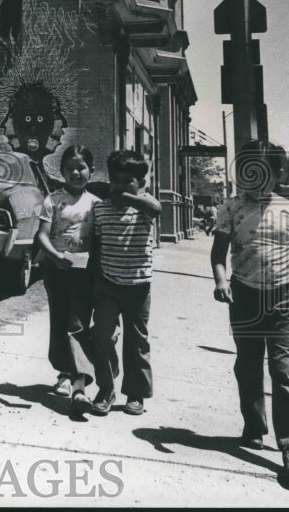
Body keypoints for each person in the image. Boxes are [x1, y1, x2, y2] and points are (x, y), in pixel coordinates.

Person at [210, 140, 289, 481]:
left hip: (284, 300)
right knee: (247, 365)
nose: (255, 179)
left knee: (284, 370)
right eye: (248, 172)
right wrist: (220, 281)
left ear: (277, 175)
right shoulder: (231, 208)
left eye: (264, 173)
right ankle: (254, 425)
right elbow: (218, 254)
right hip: (244, 296)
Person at [90, 149, 161, 417]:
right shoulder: (101, 208)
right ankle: (106, 388)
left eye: (127, 181)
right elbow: (97, 246)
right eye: (115, 180)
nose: (119, 186)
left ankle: (136, 393)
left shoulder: (143, 208)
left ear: (140, 184)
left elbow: (157, 208)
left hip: (138, 286)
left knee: (137, 340)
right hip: (108, 283)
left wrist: (130, 197)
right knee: (102, 334)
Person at [33, 145, 101, 415]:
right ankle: (64, 373)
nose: (76, 172)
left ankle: (79, 387)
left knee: (78, 324)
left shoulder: (96, 204)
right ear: (61, 172)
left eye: (81, 167)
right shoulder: (53, 200)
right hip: (57, 271)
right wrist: (54, 256)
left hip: (85, 274)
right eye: (70, 168)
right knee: (60, 322)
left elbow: (99, 241)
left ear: (91, 171)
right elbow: (42, 235)